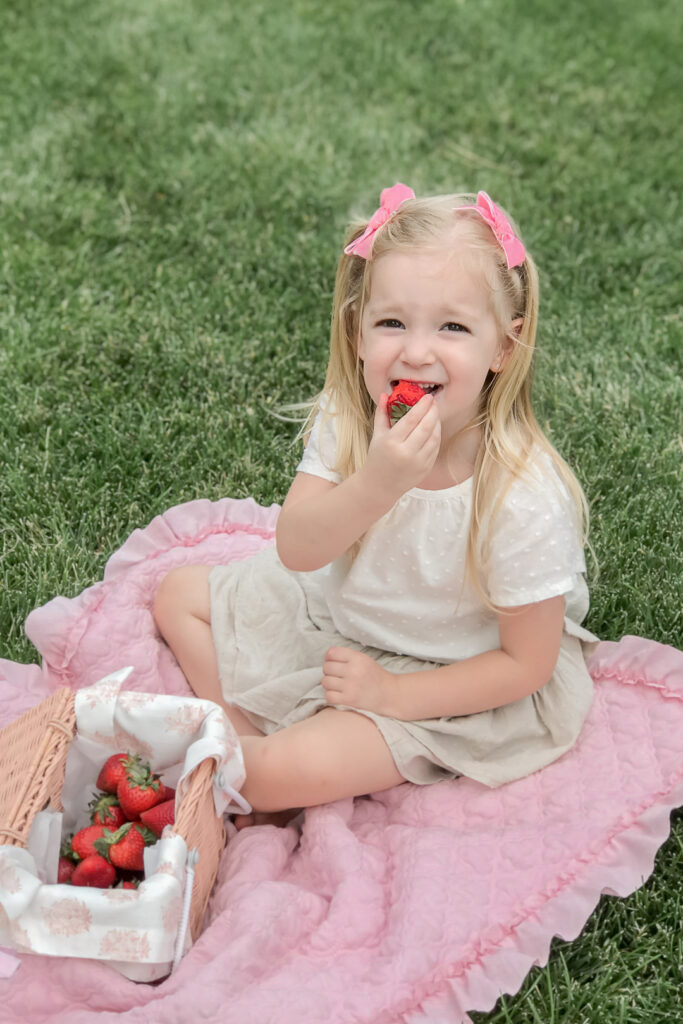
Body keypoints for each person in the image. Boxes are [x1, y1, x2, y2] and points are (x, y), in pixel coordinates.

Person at [153, 184, 598, 828]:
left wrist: (391, 694)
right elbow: (299, 549)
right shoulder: (350, 419)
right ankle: (247, 734)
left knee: (276, 772)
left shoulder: (519, 493)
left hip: (453, 675)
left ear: (504, 345)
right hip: (341, 625)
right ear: (357, 332)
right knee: (177, 596)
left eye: (452, 326)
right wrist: (378, 483)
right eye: (392, 322)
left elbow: (525, 665)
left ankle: (266, 769)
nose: (415, 351)